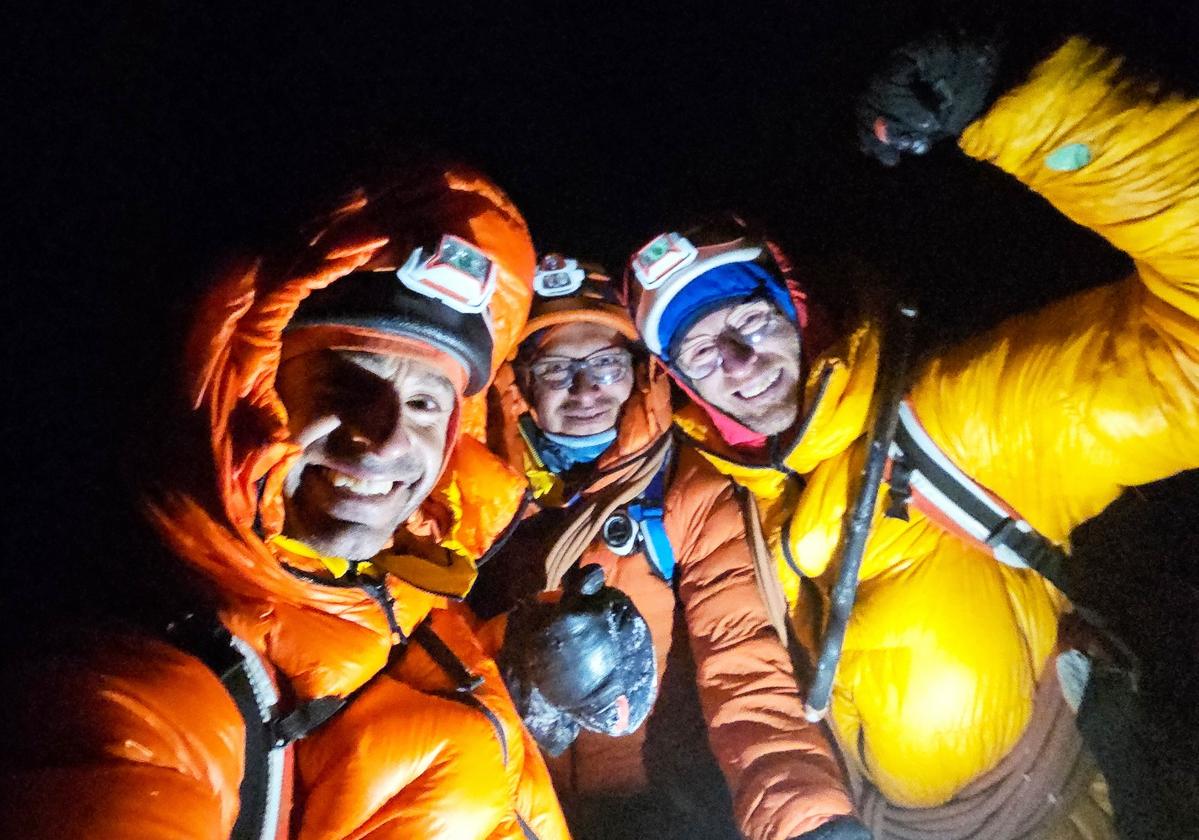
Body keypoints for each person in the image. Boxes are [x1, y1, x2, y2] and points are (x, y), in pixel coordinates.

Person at [625, 34, 1198, 838]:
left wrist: (1030, 102)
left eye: (751, 319)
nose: (738, 361)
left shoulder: (957, 421)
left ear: (800, 313)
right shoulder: (747, 504)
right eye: (698, 349)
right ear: (684, 383)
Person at [0, 161, 598, 839]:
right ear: (252, 391)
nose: (386, 437)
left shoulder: (404, 592)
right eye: (345, 381)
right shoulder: (135, 694)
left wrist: (515, 655)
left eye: (427, 401)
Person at [471, 255, 869, 840]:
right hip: (509, 804)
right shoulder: (478, 496)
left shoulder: (688, 489)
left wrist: (808, 822)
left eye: (606, 364)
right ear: (521, 380)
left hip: (654, 807)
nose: (585, 389)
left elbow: (743, 666)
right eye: (557, 370)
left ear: (639, 372)